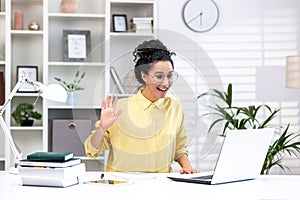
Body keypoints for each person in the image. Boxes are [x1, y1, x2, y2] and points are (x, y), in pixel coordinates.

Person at [84, 39, 198, 174]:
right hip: (124, 187)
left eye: (170, 76)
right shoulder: (119, 109)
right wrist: (102, 128)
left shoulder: (174, 108)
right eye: (159, 76)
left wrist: (187, 167)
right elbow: (92, 150)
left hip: (161, 187)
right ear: (144, 76)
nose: (166, 83)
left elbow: (179, 148)